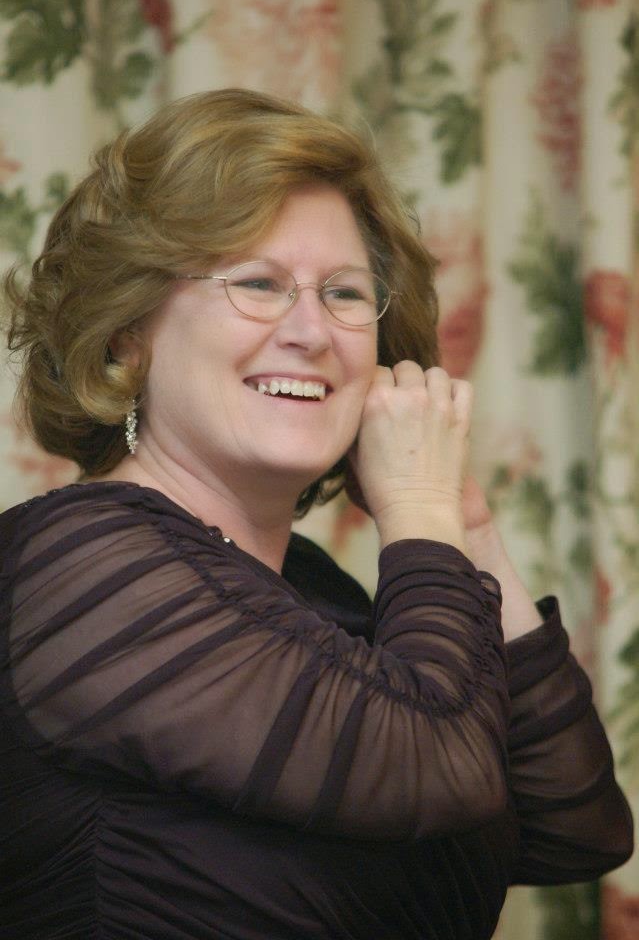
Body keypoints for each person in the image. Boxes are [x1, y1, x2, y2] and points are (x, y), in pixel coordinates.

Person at [0, 88, 633, 940]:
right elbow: (437, 766)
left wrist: (466, 523)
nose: (311, 331)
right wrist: (416, 510)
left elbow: (577, 826)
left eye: (343, 293)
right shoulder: (84, 560)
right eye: (258, 284)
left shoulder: (314, 591)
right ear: (128, 334)